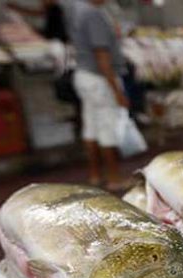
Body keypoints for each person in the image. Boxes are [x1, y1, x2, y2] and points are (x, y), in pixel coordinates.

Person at [72, 0, 129, 190]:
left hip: (85, 75)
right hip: (99, 79)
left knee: (91, 128)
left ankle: (95, 175)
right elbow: (102, 56)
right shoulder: (94, 15)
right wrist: (117, 91)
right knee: (107, 129)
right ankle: (114, 178)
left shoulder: (79, 10)